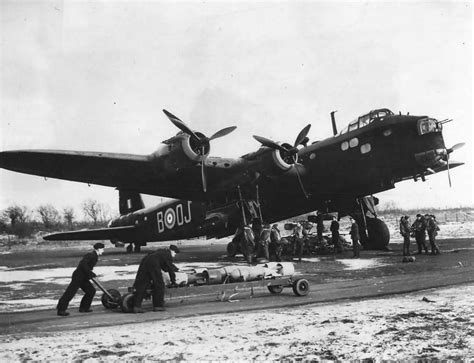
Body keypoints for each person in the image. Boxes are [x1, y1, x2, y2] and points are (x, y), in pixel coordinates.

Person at [57, 242, 105, 316]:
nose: (103, 251)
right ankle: (61, 310)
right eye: (102, 249)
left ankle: (84, 308)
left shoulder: (95, 256)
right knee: (70, 293)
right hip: (78, 276)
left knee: (91, 291)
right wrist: (90, 273)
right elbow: (83, 264)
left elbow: (87, 266)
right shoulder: (91, 255)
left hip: (84, 277)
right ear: (98, 249)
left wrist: (89, 273)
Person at [132, 245, 180, 313]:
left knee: (143, 284)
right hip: (153, 263)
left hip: (145, 260)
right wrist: (173, 281)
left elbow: (164, 266)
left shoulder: (160, 252)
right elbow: (170, 269)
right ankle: (158, 306)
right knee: (159, 284)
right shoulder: (168, 254)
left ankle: (136, 306)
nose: (174, 255)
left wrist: (174, 269)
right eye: (175, 253)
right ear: (172, 251)